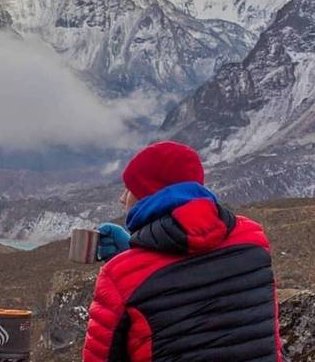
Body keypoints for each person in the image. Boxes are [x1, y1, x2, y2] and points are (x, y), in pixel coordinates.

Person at [83, 141, 283, 361]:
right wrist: (134, 252)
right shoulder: (253, 239)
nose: (123, 198)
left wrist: (127, 267)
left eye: (130, 188)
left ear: (147, 195)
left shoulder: (118, 276)